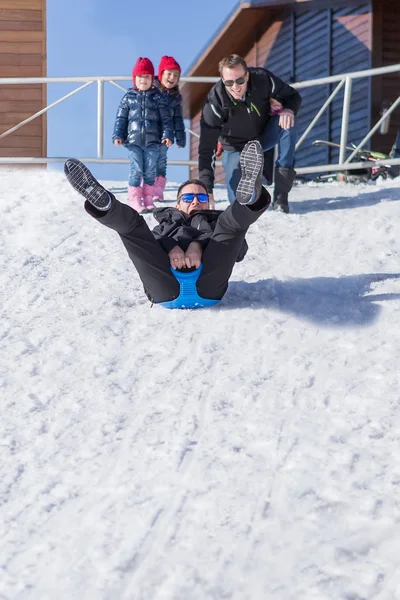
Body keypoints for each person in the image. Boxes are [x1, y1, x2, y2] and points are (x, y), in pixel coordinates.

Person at [63, 140, 270, 309]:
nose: (195, 201)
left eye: (200, 197)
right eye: (188, 197)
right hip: (164, 285)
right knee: (135, 227)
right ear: (178, 203)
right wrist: (172, 247)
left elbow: (238, 250)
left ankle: (248, 197)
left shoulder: (220, 222)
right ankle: (105, 204)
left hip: (209, 284)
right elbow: (149, 245)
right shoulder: (165, 226)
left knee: (230, 223)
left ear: (208, 202)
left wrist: (198, 245)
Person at [198, 54, 302, 213]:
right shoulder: (214, 102)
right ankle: (251, 192)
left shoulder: (263, 80)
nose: (235, 87)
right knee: (238, 203)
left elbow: (292, 96)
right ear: (222, 80)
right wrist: (207, 189)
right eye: (229, 82)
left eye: (240, 80)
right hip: (235, 147)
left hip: (262, 137)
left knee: (287, 123)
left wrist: (287, 109)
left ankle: (281, 196)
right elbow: (206, 148)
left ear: (247, 75)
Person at [112, 57, 173, 213]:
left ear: (152, 79)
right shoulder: (128, 97)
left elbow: (166, 119)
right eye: (140, 77)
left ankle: (148, 198)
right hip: (133, 141)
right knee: (136, 169)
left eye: (147, 77)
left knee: (150, 171)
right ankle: (134, 199)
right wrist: (118, 135)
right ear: (134, 79)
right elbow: (121, 118)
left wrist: (167, 135)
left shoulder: (158, 97)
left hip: (153, 141)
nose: (143, 80)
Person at [152, 55, 186, 201]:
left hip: (166, 136)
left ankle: (158, 191)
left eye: (176, 75)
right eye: (169, 73)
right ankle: (146, 188)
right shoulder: (150, 91)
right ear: (161, 74)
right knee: (148, 161)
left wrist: (180, 138)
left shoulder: (175, 98)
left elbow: (178, 119)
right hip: (150, 134)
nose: (172, 77)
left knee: (161, 161)